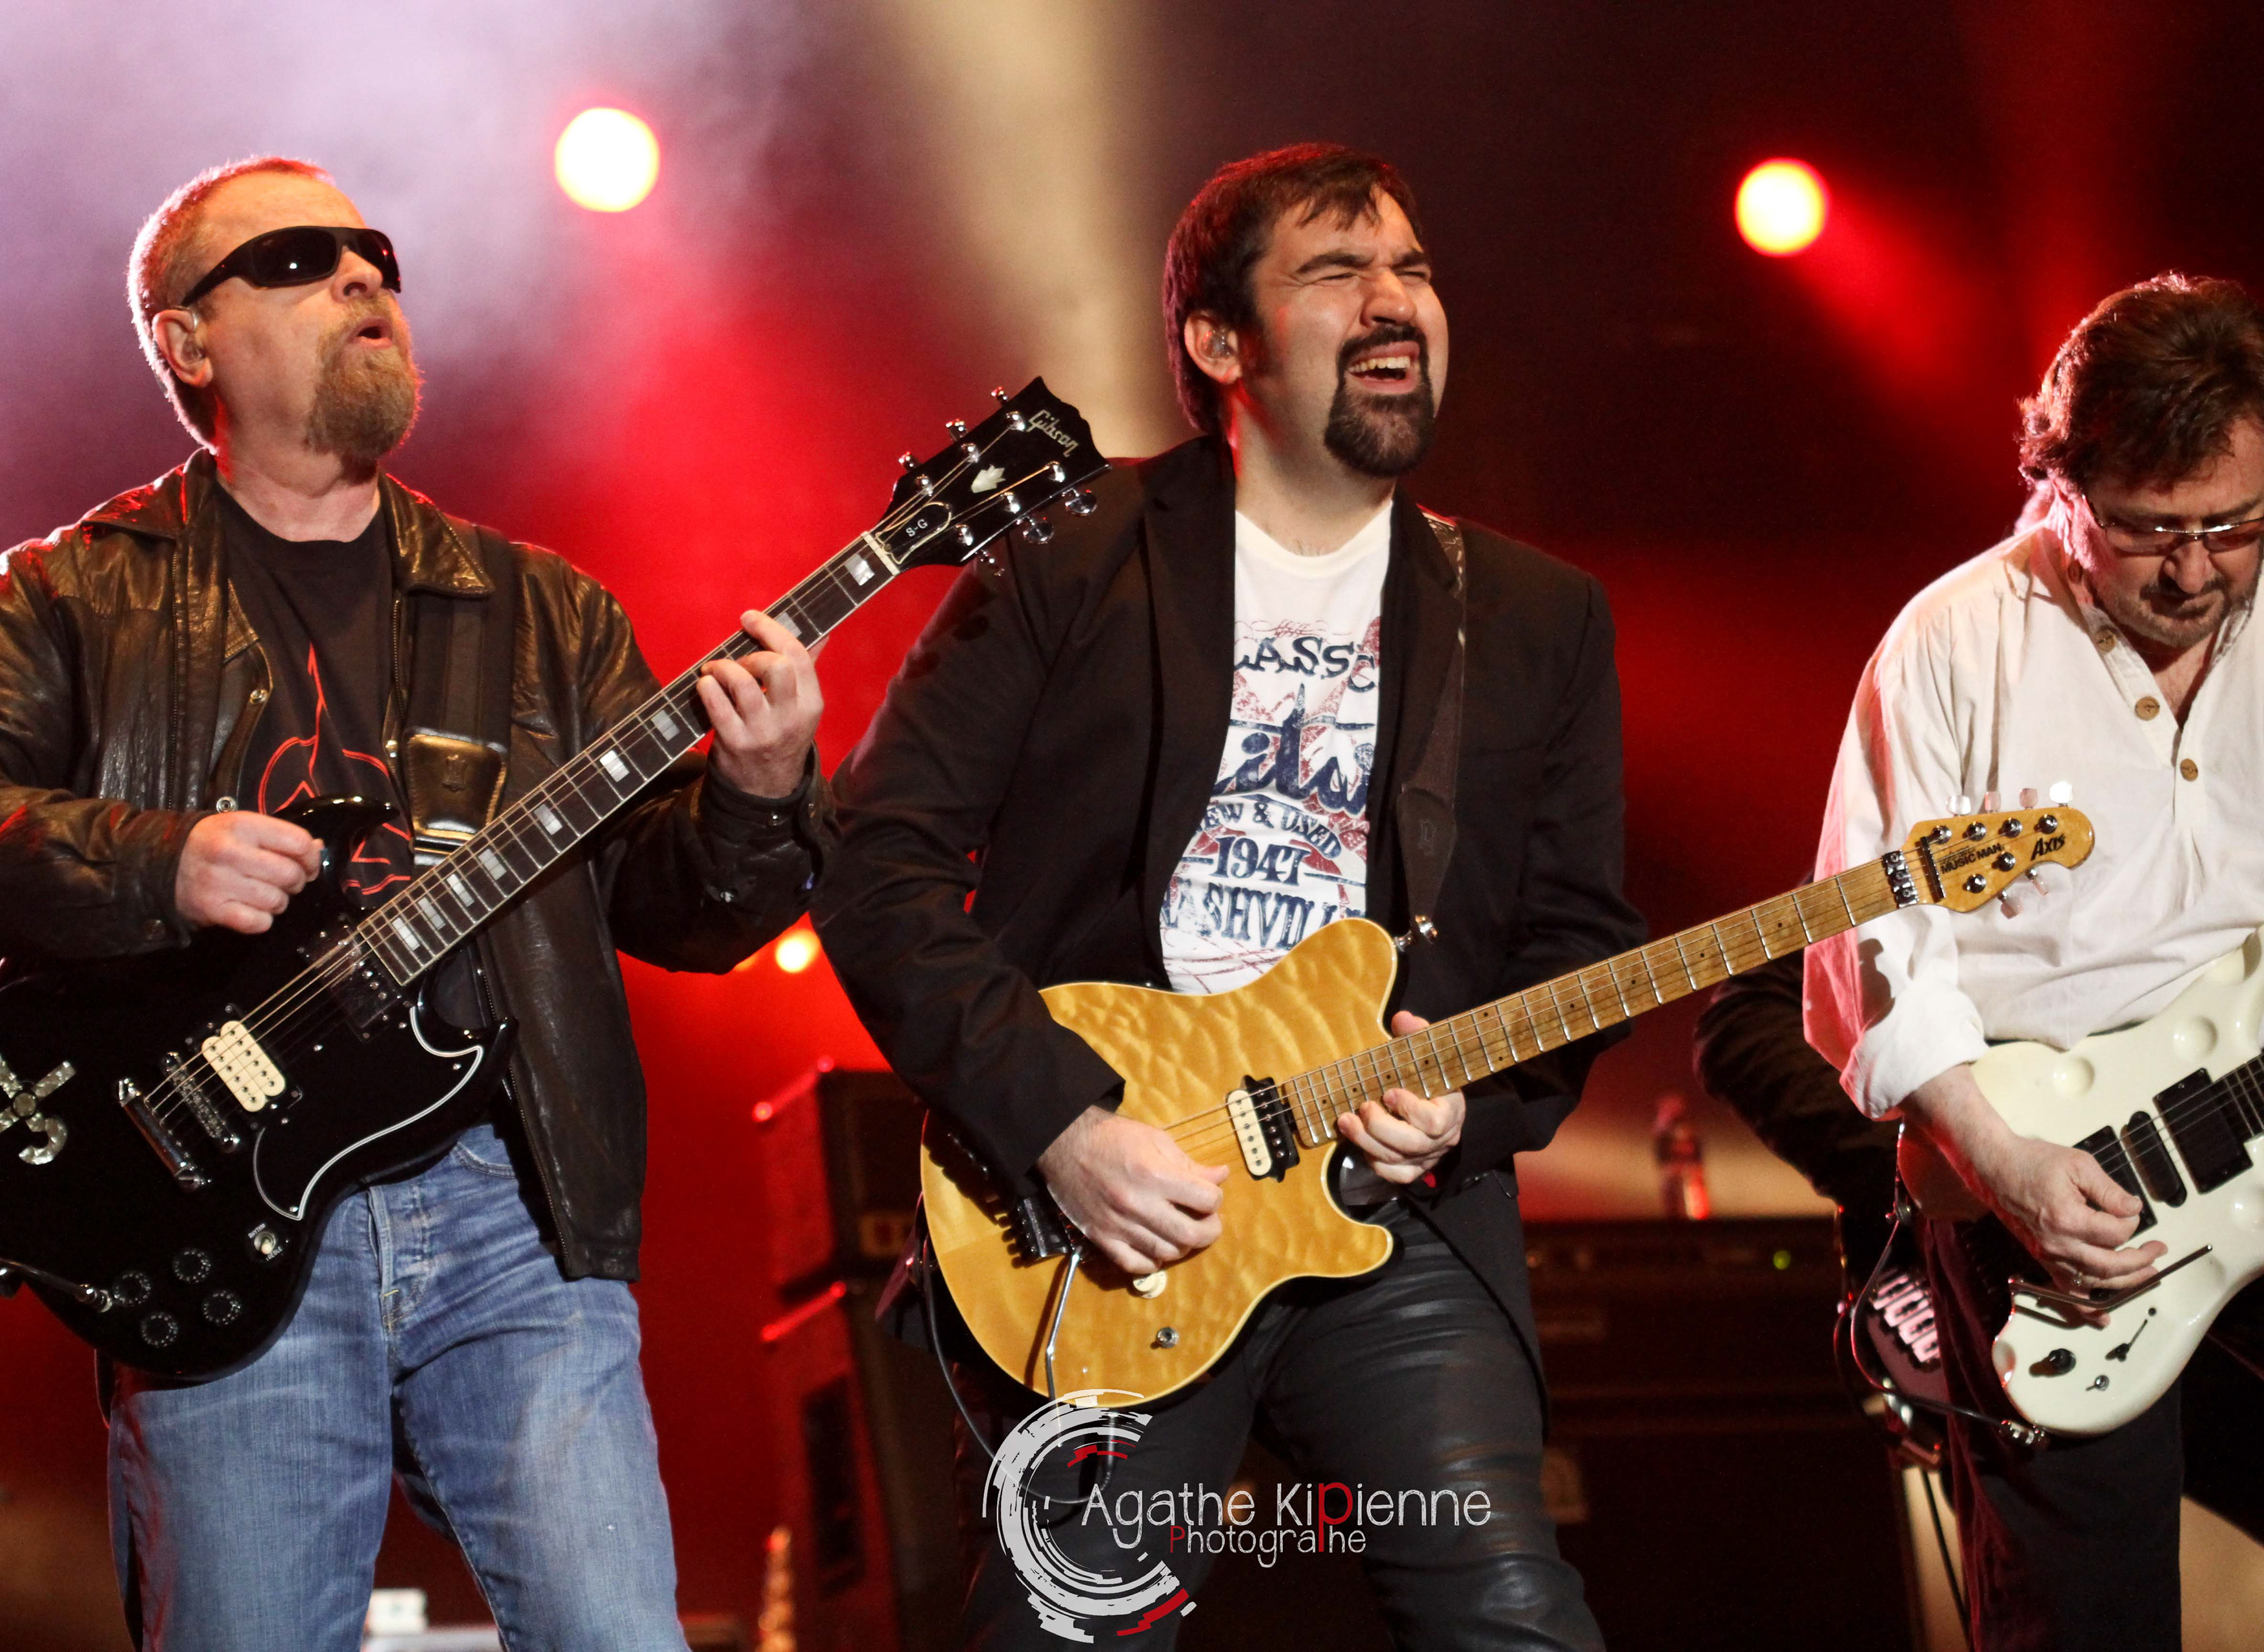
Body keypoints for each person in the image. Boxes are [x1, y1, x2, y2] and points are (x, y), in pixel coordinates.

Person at [817, 143, 1642, 1648]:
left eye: (1414, 266)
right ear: (1216, 340)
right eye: (1336, 272)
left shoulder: (1530, 613)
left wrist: (1471, 1104)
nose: (1394, 299)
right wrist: (1062, 1126)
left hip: (1382, 1218)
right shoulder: (1072, 557)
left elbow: (1577, 940)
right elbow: (875, 858)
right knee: (1066, 1627)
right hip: (1108, 1213)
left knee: (1512, 1613)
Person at [0, 156, 828, 1651]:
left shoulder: (544, 612)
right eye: (300, 259)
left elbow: (685, 906)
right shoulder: (71, 597)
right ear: (188, 341)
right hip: (211, 1200)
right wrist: (152, 853)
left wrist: (765, 789)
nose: (361, 276)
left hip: (507, 1199)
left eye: (373, 251)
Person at [1803, 272, 2264, 1650]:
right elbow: (1866, 948)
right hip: (2042, 1176)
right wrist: (2003, 1160)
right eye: (2148, 530)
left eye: (2233, 525)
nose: (2193, 570)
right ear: (2059, 484)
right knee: (2083, 1617)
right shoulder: (1955, 641)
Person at [1697, 951, 2264, 1647]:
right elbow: (1746, 1017)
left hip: (2247, 1266)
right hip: (2045, 1296)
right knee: (2077, 1618)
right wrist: (1967, 1193)